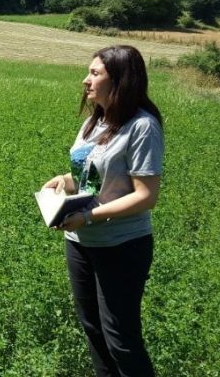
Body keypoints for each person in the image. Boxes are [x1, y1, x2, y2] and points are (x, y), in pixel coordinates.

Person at [43, 45, 163, 377]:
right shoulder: (93, 122)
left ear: (121, 81)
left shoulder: (142, 127)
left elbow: (146, 196)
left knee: (121, 340)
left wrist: (91, 216)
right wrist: (65, 181)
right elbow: (91, 178)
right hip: (80, 241)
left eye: (95, 74)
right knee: (94, 333)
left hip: (121, 245)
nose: (86, 80)